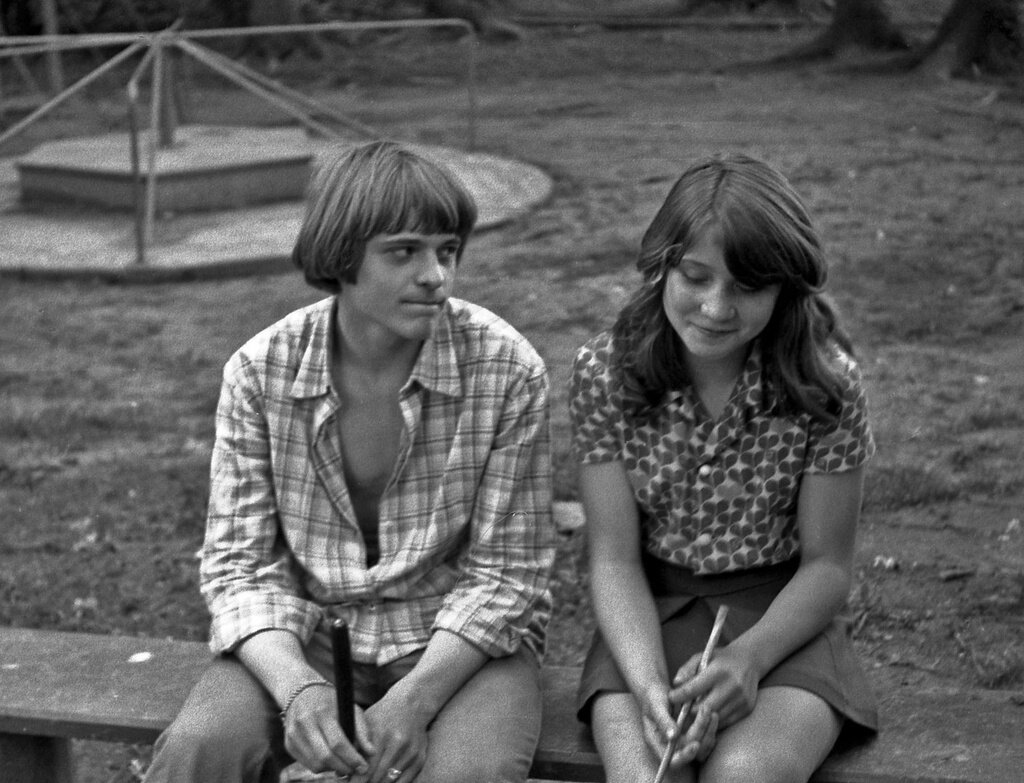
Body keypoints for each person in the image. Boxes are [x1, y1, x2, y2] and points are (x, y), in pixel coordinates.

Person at [145, 140, 557, 783]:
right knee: (201, 750)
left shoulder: (507, 369)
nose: (436, 276)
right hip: (306, 631)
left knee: (466, 774)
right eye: (404, 252)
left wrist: (414, 703)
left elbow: (508, 574)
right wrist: (298, 689)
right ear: (342, 257)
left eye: (447, 250)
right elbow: (238, 566)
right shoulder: (260, 371)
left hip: (461, 641)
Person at [568, 154, 878, 783]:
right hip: (646, 618)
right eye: (695, 277)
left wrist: (749, 659)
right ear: (662, 265)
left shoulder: (827, 386)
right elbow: (614, 560)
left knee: (745, 775)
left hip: (784, 622)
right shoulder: (604, 373)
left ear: (784, 288)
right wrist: (648, 687)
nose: (715, 307)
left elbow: (827, 567)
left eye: (747, 287)